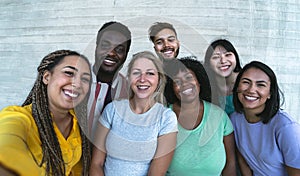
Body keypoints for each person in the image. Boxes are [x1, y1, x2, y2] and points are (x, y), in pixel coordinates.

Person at [0, 50, 92, 176]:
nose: (77, 83)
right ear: (46, 77)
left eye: (85, 79)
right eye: (69, 73)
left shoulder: (79, 123)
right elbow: (6, 144)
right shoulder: (19, 117)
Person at [89, 51, 178, 176]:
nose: (142, 79)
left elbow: (156, 173)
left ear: (159, 79)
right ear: (129, 78)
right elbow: (96, 164)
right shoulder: (112, 110)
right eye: (136, 73)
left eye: (150, 73)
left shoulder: (166, 118)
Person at [164, 57, 236, 176]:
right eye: (177, 81)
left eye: (189, 78)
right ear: (171, 88)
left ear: (199, 82)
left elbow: (231, 163)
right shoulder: (165, 116)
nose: (184, 84)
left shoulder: (219, 116)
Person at [230, 61, 300, 176]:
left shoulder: (285, 127)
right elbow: (243, 159)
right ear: (237, 87)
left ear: (270, 94)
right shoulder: (235, 119)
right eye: (246, 82)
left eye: (260, 85)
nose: (251, 90)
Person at [88, 21, 132, 138]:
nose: (111, 53)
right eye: (105, 46)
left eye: (119, 49)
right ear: (96, 47)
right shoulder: (73, 82)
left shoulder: (130, 91)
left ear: (126, 54)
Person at [203, 39, 242, 116]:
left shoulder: (247, 81)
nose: (223, 61)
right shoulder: (205, 84)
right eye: (216, 57)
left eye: (228, 55)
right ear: (208, 63)